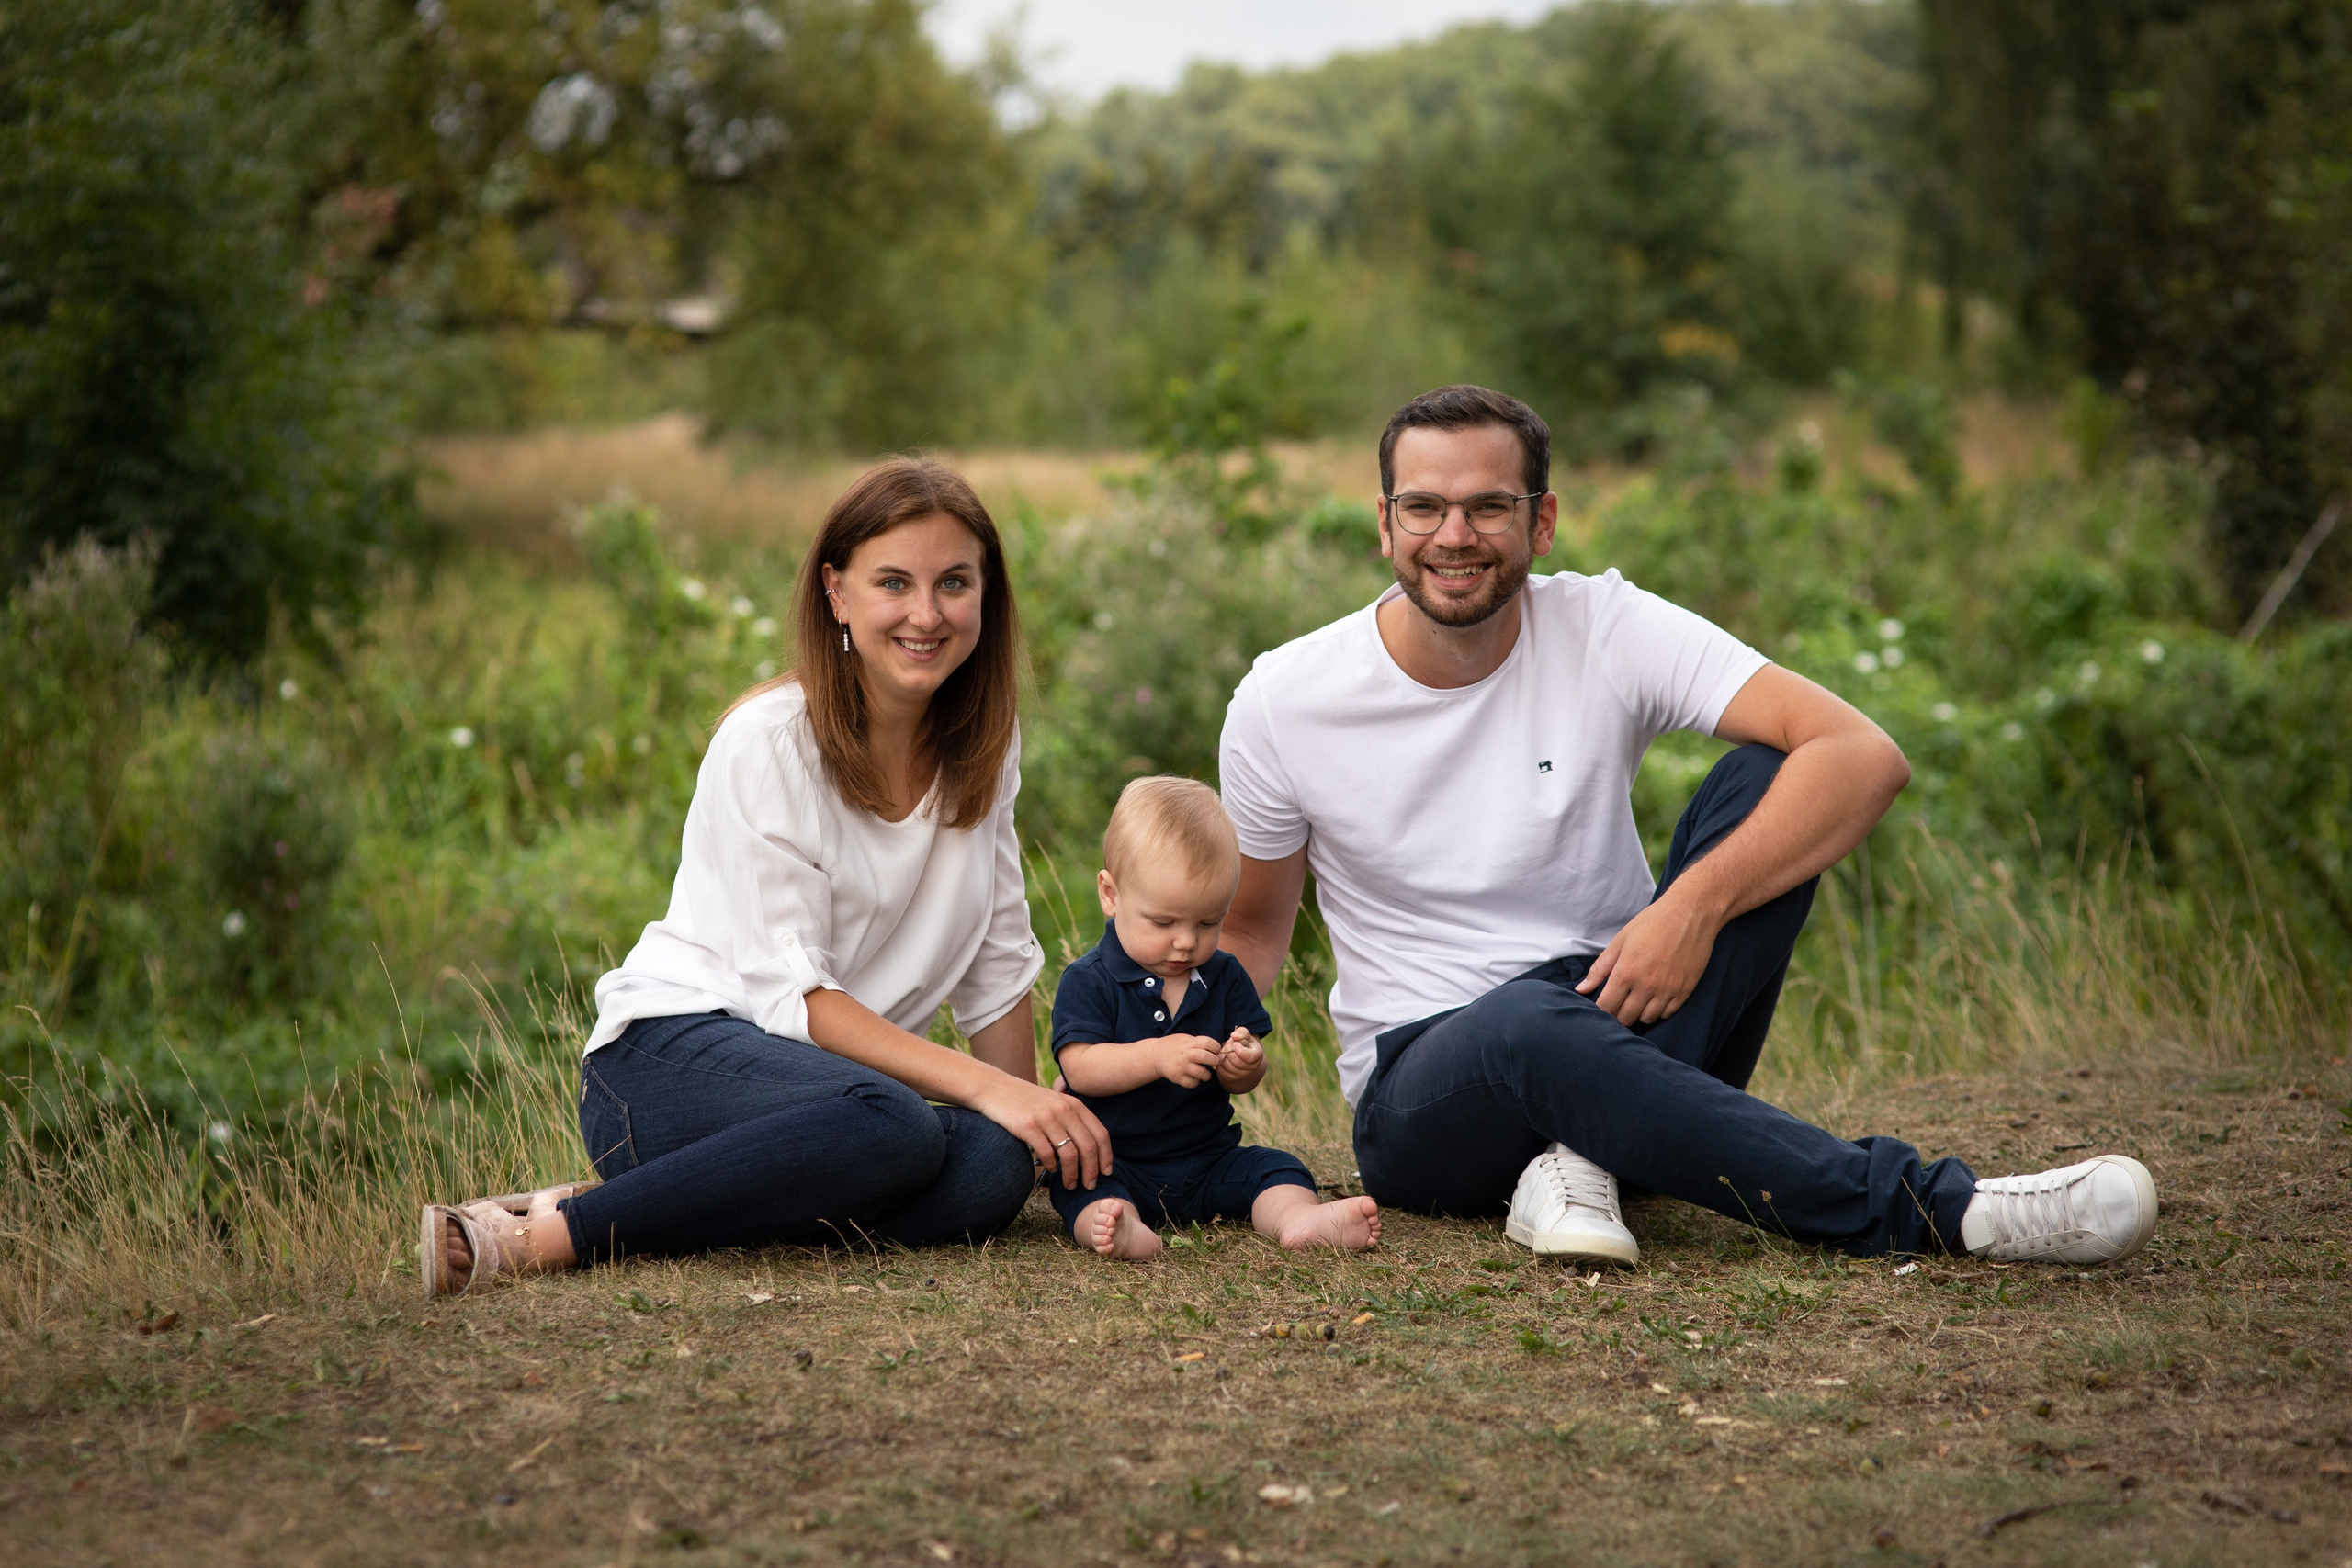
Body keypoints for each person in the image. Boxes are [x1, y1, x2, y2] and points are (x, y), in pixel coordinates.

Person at [1215, 385, 2158, 1269]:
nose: (1453, 535)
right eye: (1423, 507)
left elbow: (1862, 755)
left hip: (1630, 1008)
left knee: (1773, 775)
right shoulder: (1286, 700)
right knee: (1525, 1024)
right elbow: (1251, 932)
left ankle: (1576, 1162)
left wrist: (1693, 906)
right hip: (1428, 1097)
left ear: (1541, 521)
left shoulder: (1603, 625)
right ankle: (1946, 1211)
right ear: (1384, 523)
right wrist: (1175, 1066)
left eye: (1489, 507)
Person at [420, 458, 1112, 1295]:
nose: (927, 614)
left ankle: (679, 1202)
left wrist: (1032, 1117)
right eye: (894, 582)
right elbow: (799, 1000)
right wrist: (993, 1088)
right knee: (898, 1125)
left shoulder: (985, 748)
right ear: (837, 592)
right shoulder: (768, 740)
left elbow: (996, 961)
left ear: (986, 596)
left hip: (837, 1105)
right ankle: (549, 1236)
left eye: (954, 583)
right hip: (669, 1062)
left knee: (994, 1164)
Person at [1047, 776, 1382, 1260]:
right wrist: (1157, 1056)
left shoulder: (1223, 974)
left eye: (1208, 922)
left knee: (1278, 1169)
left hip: (1209, 1159)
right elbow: (1080, 1068)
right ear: (1111, 894)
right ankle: (1122, 1228)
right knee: (1080, 1187)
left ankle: (1298, 1219)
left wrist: (1245, 1065)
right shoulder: (1089, 979)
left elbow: (1242, 1079)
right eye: (1163, 922)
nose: (1186, 942)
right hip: (1117, 1161)